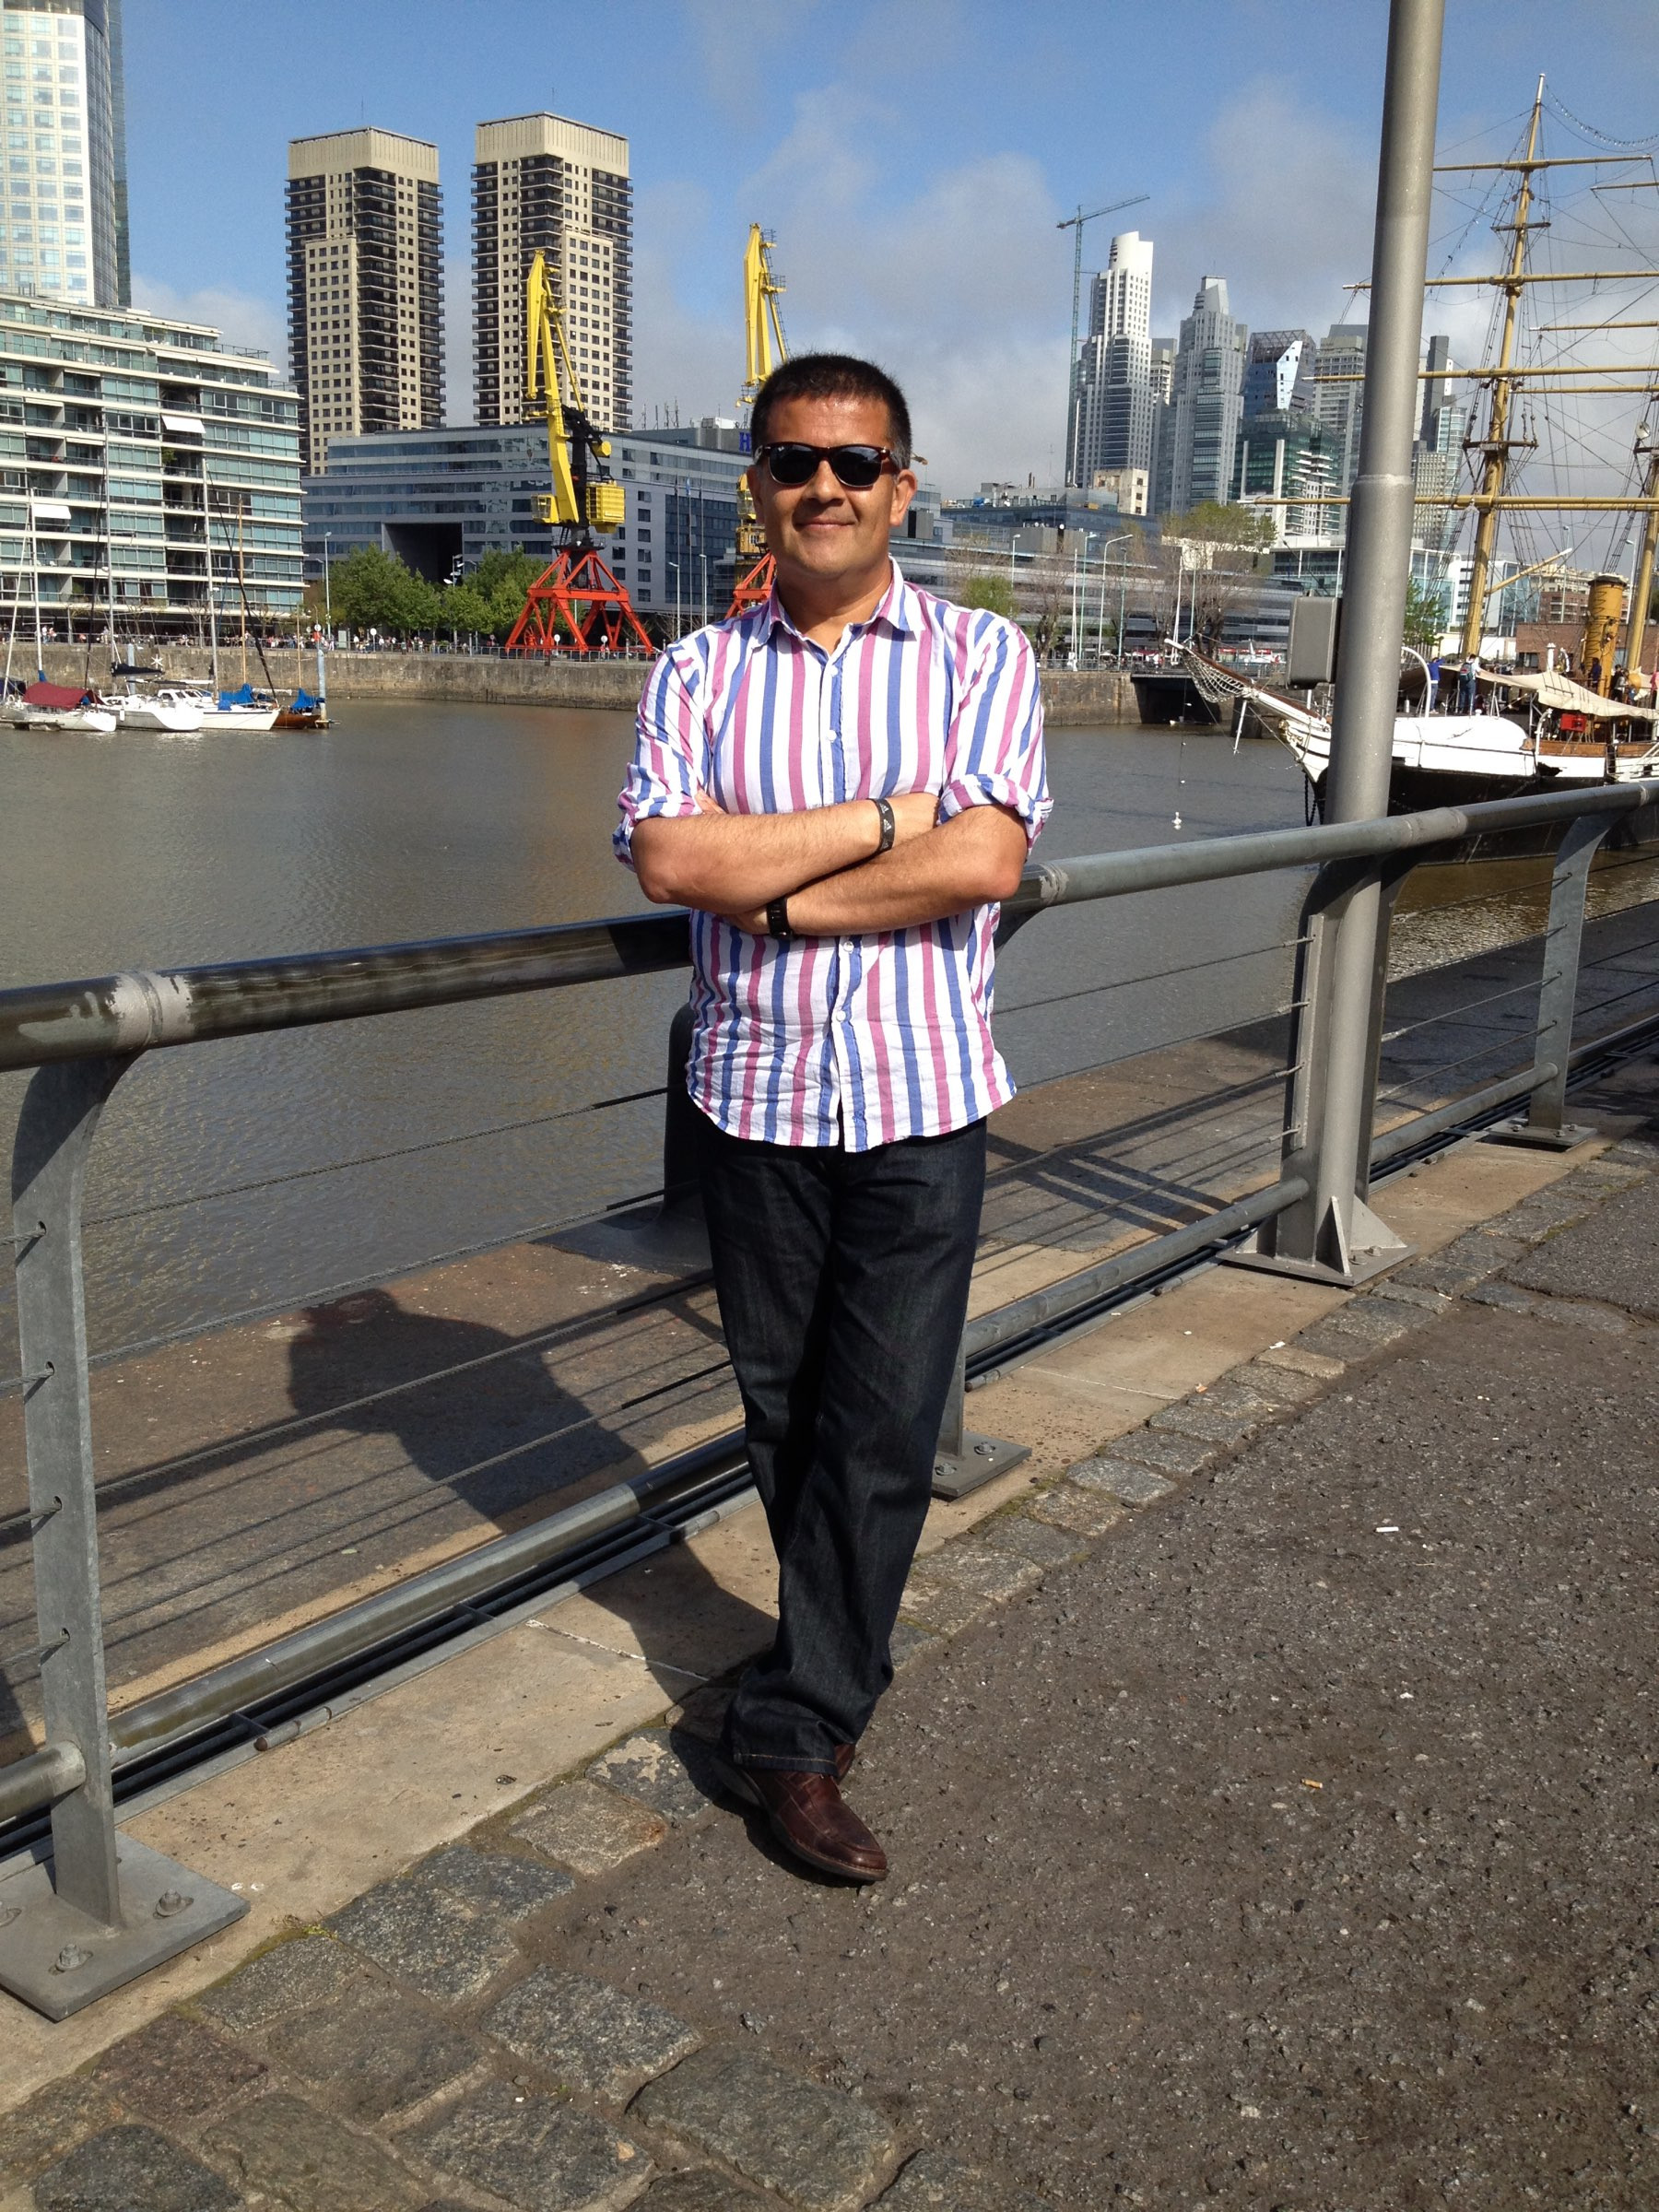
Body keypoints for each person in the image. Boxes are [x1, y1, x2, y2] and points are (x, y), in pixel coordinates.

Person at [615, 354, 1049, 1883]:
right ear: (757, 485)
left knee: (886, 1420)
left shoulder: (984, 654)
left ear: (901, 489)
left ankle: (801, 1727)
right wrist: (885, 820)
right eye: (795, 461)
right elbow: (673, 863)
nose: (824, 488)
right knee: (785, 1410)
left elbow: (983, 862)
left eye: (854, 464)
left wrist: (785, 898)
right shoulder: (694, 673)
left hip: (923, 1091)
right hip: (755, 1096)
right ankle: (824, 1656)